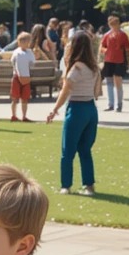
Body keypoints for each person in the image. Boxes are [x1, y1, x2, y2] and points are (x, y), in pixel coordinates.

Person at [46, 32, 102, 196]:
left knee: (67, 150)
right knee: (85, 149)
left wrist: (54, 109)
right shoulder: (94, 68)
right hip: (91, 109)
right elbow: (97, 92)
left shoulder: (76, 68)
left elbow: (65, 90)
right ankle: (89, 185)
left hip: (77, 108)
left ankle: (66, 185)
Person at [99, 15, 129, 113]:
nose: (114, 26)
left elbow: (128, 47)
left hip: (119, 60)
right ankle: (110, 104)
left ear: (118, 24)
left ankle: (119, 104)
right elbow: (102, 47)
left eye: (115, 24)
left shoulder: (123, 35)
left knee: (118, 82)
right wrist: (105, 50)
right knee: (109, 82)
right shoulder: (107, 35)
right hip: (108, 60)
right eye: (111, 25)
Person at [9, 31, 35, 123]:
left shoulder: (30, 52)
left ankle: (24, 116)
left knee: (25, 98)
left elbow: (32, 63)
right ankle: (13, 115)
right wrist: (18, 74)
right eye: (24, 41)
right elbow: (13, 63)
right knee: (15, 97)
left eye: (28, 41)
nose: (26, 43)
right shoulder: (17, 52)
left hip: (26, 76)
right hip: (17, 77)